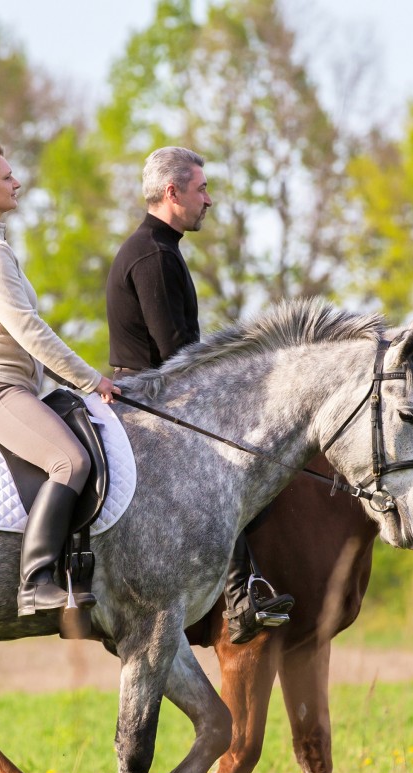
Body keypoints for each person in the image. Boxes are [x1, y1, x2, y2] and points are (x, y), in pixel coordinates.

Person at [105, 146, 293, 644]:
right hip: (149, 401)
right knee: (231, 467)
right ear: (173, 192)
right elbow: (178, 355)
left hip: (154, 393)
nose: (208, 200)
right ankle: (239, 597)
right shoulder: (152, 255)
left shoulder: (161, 250)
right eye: (201, 189)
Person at [0, 140, 119, 616]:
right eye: (5, 177)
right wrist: (88, 379)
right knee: (71, 462)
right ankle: (36, 581)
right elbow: (27, 328)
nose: (16, 182)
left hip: (10, 385)